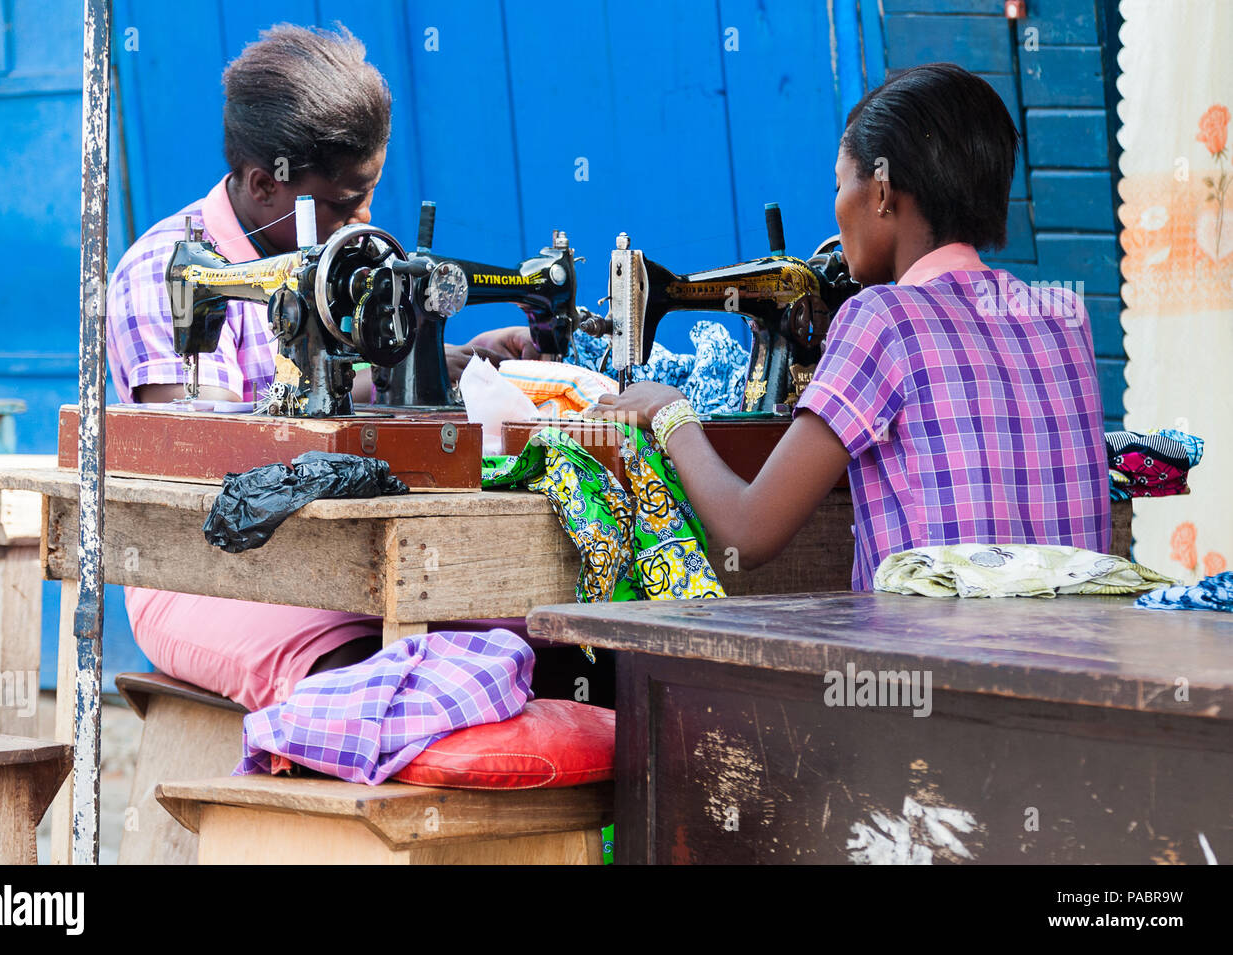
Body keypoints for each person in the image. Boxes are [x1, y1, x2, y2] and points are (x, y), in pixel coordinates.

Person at [106, 24, 540, 711]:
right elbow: (197, 463)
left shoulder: (336, 258)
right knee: (362, 669)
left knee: (529, 626)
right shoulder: (164, 274)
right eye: (342, 204)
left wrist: (449, 365)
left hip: (335, 550)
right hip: (200, 569)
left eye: (367, 195)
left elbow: (318, 396)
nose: (363, 218)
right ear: (262, 183)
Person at [589, 62, 1110, 588]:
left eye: (840, 184)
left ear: (881, 193)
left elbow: (747, 534)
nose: (836, 208)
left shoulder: (882, 317)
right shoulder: (1062, 314)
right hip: (1069, 654)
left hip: (935, 664)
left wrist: (671, 415)